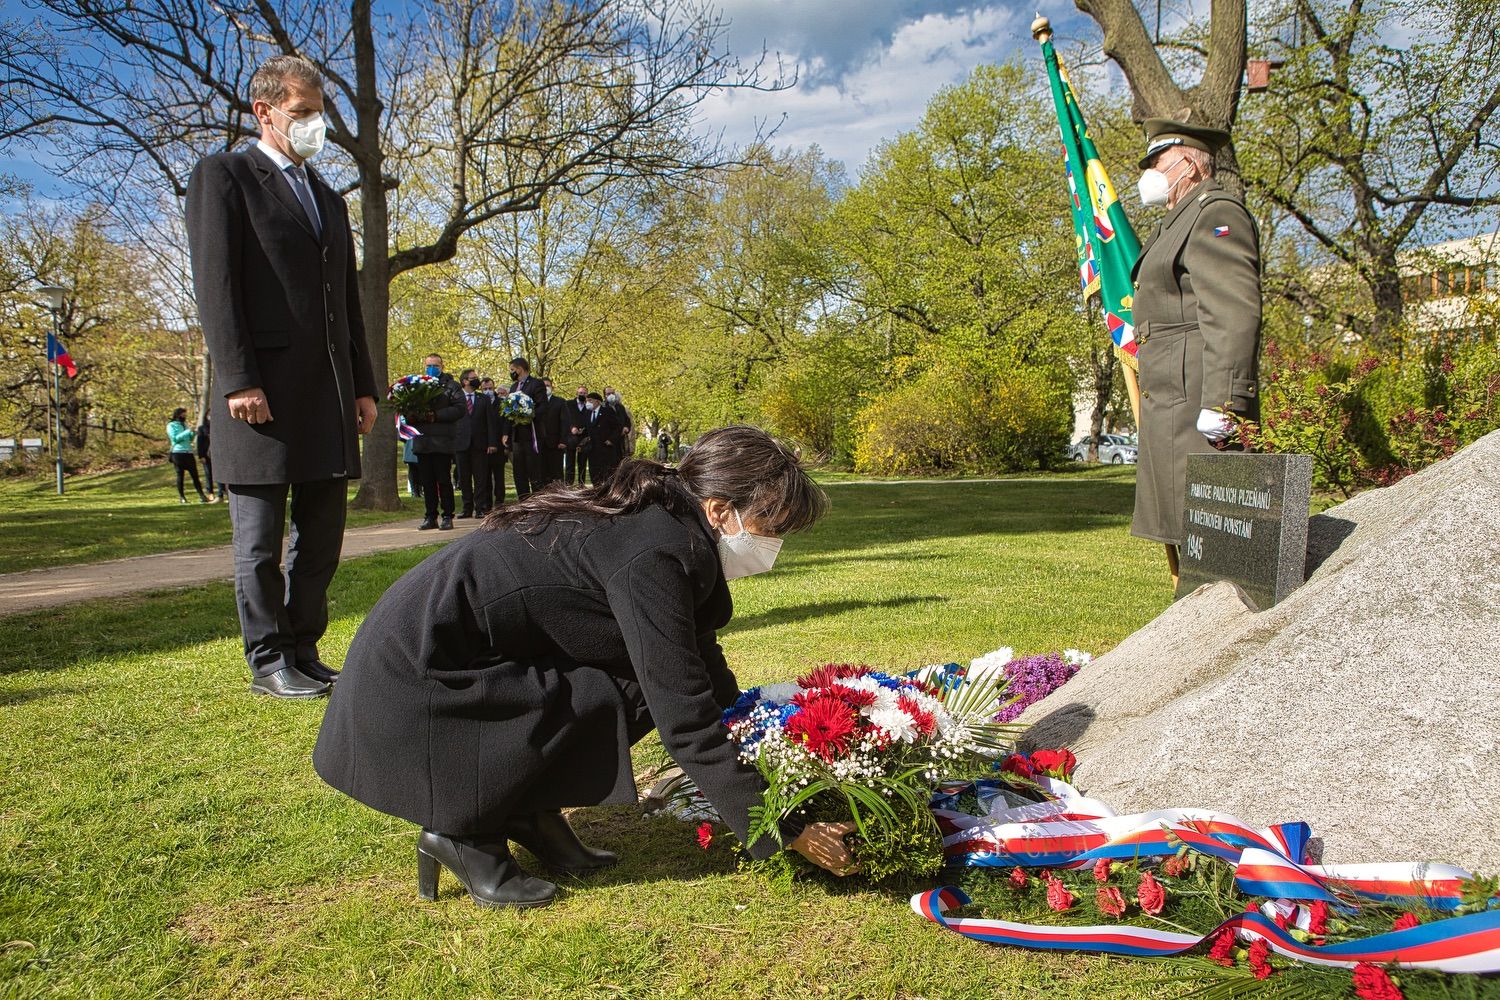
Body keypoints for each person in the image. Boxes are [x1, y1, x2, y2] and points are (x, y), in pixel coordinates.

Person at [313, 426, 854, 909]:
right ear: (718, 509)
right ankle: (463, 828)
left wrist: (769, 748)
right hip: (418, 681)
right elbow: (685, 716)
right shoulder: (654, 551)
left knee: (637, 684)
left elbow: (700, 662)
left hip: (469, 658)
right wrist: (782, 826)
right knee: (641, 689)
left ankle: (524, 808)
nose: (773, 544)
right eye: (770, 525)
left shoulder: (669, 523)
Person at [186, 54, 378, 700]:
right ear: (264, 112)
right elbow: (217, 288)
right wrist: (238, 378)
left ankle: (302, 646)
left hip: (325, 394)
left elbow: (346, 300)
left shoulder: (329, 199)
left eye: (320, 114)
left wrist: (363, 386)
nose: (314, 126)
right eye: (302, 114)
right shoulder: (225, 178)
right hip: (259, 395)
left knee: (322, 535)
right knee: (261, 540)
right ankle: (268, 658)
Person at [1129, 117, 1262, 587]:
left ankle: (1228, 638)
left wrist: (1225, 401)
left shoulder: (1214, 212)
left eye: (1157, 162)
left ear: (1189, 163)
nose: (1148, 173)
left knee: (1215, 536)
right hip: (1171, 398)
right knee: (1190, 537)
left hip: (1196, 400)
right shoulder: (1176, 221)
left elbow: (1232, 310)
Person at [409, 353, 464, 531]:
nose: (431, 368)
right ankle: (430, 516)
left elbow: (459, 408)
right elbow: (408, 407)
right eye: (428, 365)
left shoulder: (452, 386)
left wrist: (436, 416)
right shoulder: (417, 386)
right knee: (427, 481)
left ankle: (447, 515)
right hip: (423, 441)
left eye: (435, 365)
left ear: (442, 366)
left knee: (443, 480)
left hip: (442, 441)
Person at [454, 371, 500, 518]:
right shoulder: (456, 398)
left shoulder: (483, 399)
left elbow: (490, 422)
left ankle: (480, 507)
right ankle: (467, 507)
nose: (477, 381)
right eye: (473, 379)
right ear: (465, 381)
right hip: (461, 444)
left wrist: (492, 442)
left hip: (480, 444)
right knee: (464, 477)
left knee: (481, 477)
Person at [505, 357, 548, 498]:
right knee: (519, 472)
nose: (511, 373)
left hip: (532, 434)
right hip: (517, 436)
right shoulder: (513, 387)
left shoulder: (536, 384)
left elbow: (542, 407)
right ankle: (523, 501)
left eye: (512, 370)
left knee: (534, 471)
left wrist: (527, 415)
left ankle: (536, 501)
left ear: (519, 369)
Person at [167, 408, 211, 504]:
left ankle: (201, 495)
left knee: (195, 475)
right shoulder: (171, 425)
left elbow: (189, 438)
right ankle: (182, 497)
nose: (185, 416)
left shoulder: (185, 425)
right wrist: (187, 432)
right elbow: (174, 439)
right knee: (180, 475)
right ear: (178, 415)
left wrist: (192, 433)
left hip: (188, 452)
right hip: (177, 453)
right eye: (183, 414)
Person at [585, 391, 623, 486]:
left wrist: (611, 439)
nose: (588, 403)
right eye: (587, 401)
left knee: (606, 472)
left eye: (590, 400)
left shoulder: (607, 411)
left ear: (597, 402)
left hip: (605, 448)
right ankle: (596, 489)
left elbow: (618, 427)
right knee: (594, 471)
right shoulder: (587, 413)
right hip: (592, 448)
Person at [536, 377, 568, 486]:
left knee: (556, 474)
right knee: (541, 473)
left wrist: (563, 441)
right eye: (543, 386)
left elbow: (565, 422)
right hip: (539, 444)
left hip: (556, 444)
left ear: (552, 387)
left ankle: (559, 498)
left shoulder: (560, 402)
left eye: (547, 385)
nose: (545, 388)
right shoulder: (535, 402)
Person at [194, 411, 226, 502]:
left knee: (220, 473)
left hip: (219, 454)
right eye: (209, 415)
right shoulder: (202, 428)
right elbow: (200, 443)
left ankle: (221, 494)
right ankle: (210, 493)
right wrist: (201, 455)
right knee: (208, 474)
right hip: (207, 455)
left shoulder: (219, 427)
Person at [562, 384, 590, 486]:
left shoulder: (589, 406)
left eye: (584, 393)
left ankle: (581, 485)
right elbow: (565, 419)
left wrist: (584, 429)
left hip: (584, 440)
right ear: (577, 393)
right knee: (570, 464)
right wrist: (572, 428)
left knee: (582, 464)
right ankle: (568, 485)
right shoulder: (568, 404)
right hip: (570, 439)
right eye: (580, 393)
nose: (582, 394)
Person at [603, 386, 633, 460]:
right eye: (608, 394)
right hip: (609, 441)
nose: (611, 395)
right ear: (605, 395)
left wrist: (626, 427)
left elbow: (627, 420)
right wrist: (612, 438)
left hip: (620, 441)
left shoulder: (620, 407)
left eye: (612, 393)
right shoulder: (602, 408)